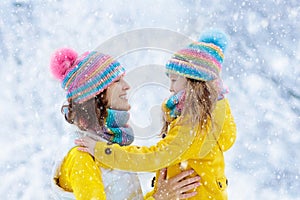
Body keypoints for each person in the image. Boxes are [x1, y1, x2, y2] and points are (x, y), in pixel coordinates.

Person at [76, 30, 237, 199]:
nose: (171, 88)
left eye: (174, 80)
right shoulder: (207, 119)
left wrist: (104, 152)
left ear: (193, 82)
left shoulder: (194, 123)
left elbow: (155, 157)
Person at [50, 48, 200, 200]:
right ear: (96, 94)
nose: (127, 86)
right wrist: (159, 198)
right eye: (117, 81)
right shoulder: (82, 155)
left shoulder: (106, 145)